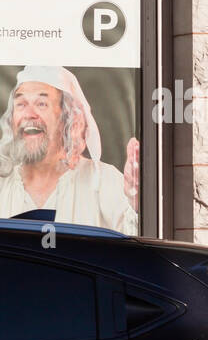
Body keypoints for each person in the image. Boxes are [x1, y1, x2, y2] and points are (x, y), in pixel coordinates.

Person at [0, 65, 139, 234]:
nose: (29, 114)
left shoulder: (104, 181)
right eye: (21, 104)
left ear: (68, 118)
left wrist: (138, 205)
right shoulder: (3, 186)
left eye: (41, 103)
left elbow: (134, 243)